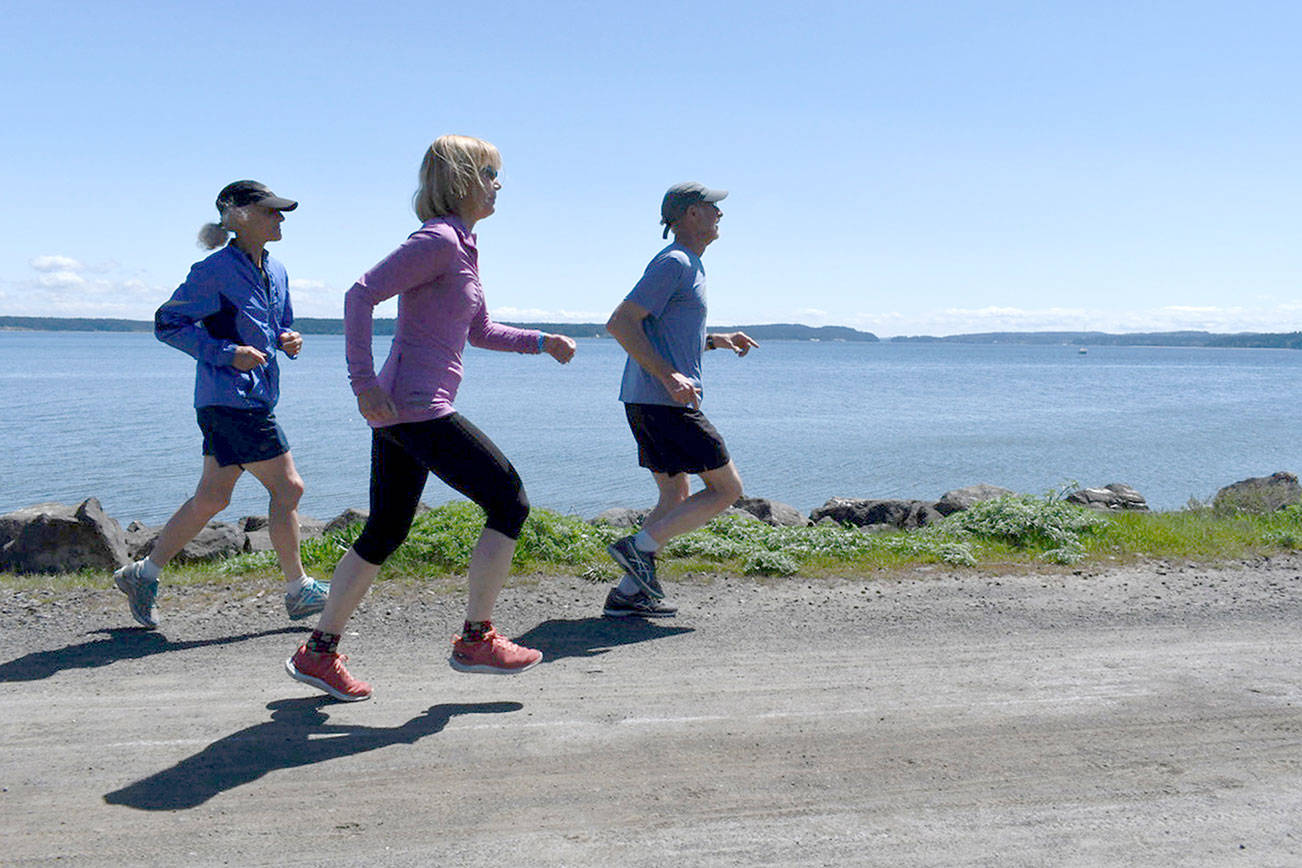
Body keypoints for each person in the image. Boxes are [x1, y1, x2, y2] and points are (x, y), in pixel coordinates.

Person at [284, 134, 577, 702]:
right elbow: (359, 294)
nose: (498, 187)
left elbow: (480, 331)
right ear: (464, 179)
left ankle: (317, 653)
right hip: (415, 408)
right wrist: (363, 384)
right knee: (509, 499)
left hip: (405, 412)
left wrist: (542, 342)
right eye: (491, 175)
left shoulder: (463, 247)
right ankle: (476, 638)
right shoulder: (438, 240)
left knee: (387, 528)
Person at [112, 181, 328, 628]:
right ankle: (298, 590)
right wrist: (227, 353)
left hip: (252, 398)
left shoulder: (277, 270)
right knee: (289, 489)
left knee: (212, 498)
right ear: (242, 215)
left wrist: (289, 339)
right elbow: (167, 323)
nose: (280, 219)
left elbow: (278, 324)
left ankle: (143, 573)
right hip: (231, 401)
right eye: (272, 211)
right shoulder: (212, 270)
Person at [603, 182, 758, 617]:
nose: (720, 215)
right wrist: (671, 376)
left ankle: (628, 595)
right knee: (727, 489)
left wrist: (715, 341)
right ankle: (637, 549)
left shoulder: (689, 265)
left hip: (649, 400)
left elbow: (664, 332)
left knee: (675, 494)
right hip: (663, 403)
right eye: (713, 208)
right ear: (691, 214)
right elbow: (621, 323)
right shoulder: (675, 262)